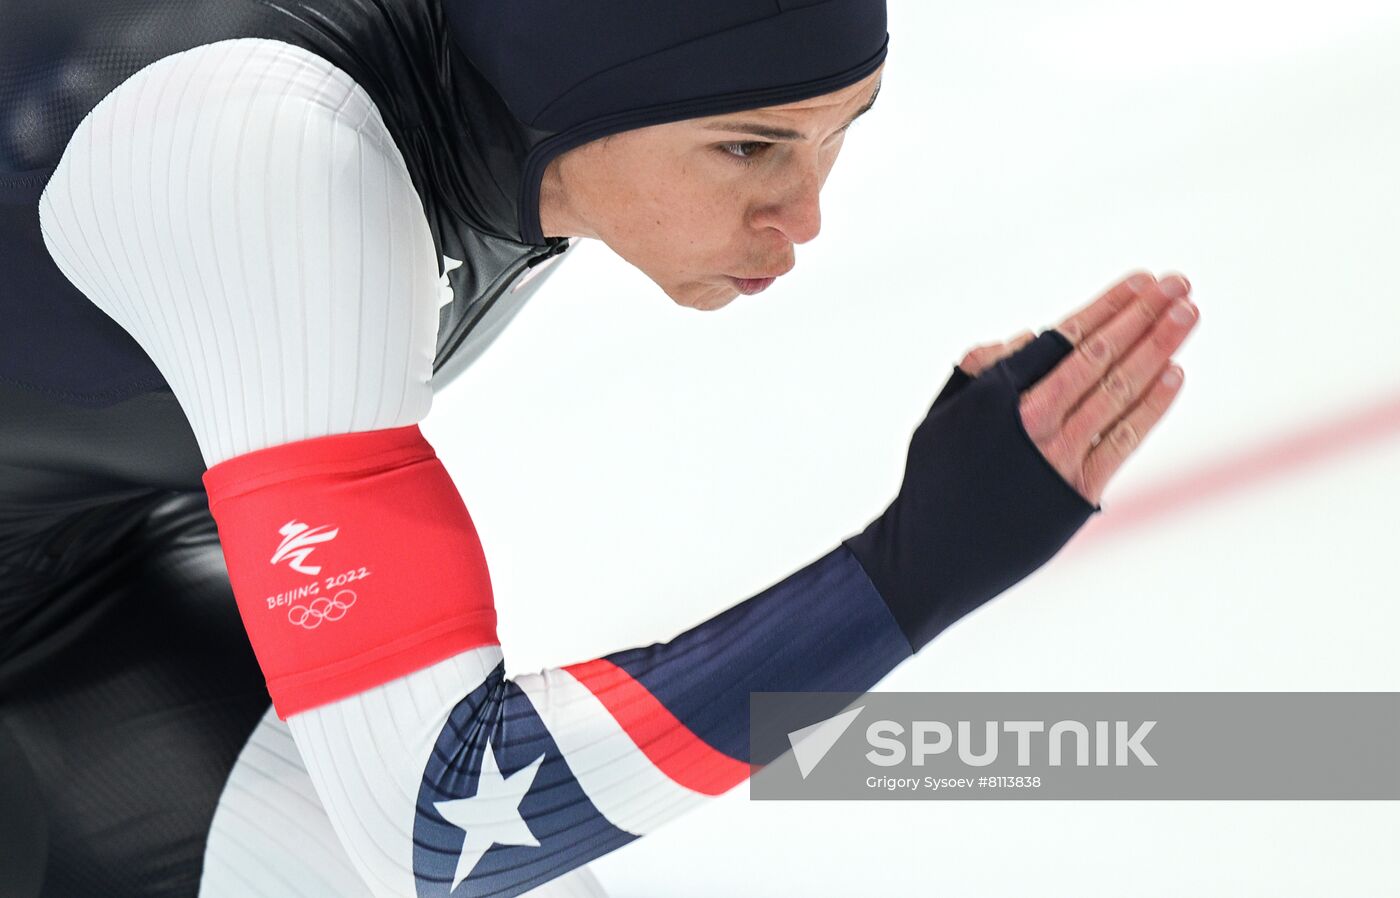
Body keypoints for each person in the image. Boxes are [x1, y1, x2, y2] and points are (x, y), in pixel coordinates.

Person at [0, 0, 1200, 895]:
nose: (805, 215)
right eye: (750, 147)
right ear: (570, 90)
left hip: (87, 556)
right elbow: (436, 816)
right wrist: (906, 571)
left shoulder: (509, 99)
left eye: (838, 135)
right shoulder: (259, 151)